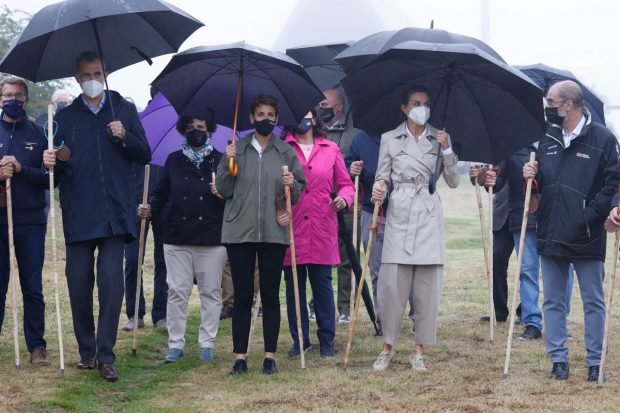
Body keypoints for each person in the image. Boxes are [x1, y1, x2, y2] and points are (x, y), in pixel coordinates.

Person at [42, 51, 151, 382]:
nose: (93, 80)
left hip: (115, 214)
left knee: (111, 282)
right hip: (79, 213)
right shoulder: (66, 116)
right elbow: (56, 174)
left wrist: (125, 136)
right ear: (77, 78)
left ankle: (106, 354)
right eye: (87, 74)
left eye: (99, 73)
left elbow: (144, 154)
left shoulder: (124, 109)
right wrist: (52, 161)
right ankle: (86, 351)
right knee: (78, 283)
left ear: (106, 74)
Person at [523, 80, 620, 382]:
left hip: (587, 232)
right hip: (550, 229)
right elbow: (538, 186)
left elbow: (612, 181)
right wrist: (530, 178)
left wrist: (592, 214)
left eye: (551, 103)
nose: (547, 108)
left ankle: (595, 362)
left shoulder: (603, 139)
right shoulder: (544, 137)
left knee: (593, 300)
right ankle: (558, 360)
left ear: (568, 105)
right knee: (553, 300)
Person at [371, 85, 459, 372]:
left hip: (428, 212)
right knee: (392, 284)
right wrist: (378, 190)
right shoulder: (389, 138)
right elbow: (382, 177)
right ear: (405, 108)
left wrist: (446, 150)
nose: (422, 107)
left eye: (426, 103)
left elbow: (454, 181)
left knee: (426, 287)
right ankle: (388, 346)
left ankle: (419, 349)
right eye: (416, 103)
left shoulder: (439, 137)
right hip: (400, 212)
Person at [216, 94, 306, 376]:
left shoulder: (286, 152)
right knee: (242, 296)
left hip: (273, 231)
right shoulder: (236, 149)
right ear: (251, 118)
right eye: (260, 114)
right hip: (239, 231)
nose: (265, 119)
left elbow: (299, 190)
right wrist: (228, 164)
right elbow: (223, 189)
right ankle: (240, 358)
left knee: (270, 295)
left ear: (276, 119)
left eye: (270, 115)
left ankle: (269, 357)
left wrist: (292, 184)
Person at [139, 114, 226, 362]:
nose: (196, 131)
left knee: (211, 291)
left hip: (211, 236)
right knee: (177, 291)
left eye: (201, 127)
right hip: (176, 235)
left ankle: (207, 344)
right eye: (190, 128)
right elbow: (161, 193)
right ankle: (175, 345)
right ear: (182, 131)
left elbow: (233, 197)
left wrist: (221, 191)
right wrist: (150, 208)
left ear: (210, 130)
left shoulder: (222, 161)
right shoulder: (173, 160)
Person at [282, 110, 354, 357]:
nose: (304, 118)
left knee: (322, 284)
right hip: (292, 227)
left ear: (315, 118)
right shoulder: (283, 148)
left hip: (322, 226)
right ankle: (300, 340)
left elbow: (346, 184)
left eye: (308, 114)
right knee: (294, 286)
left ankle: (327, 340)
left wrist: (344, 199)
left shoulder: (330, 148)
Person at [0, 76, 50, 366]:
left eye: (18, 95)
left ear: (26, 100)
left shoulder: (39, 133)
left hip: (30, 220)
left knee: (32, 286)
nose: (13, 100)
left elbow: (48, 180)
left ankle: (36, 346)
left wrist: (20, 169)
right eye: (8, 95)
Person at [316, 88, 360, 324]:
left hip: (347, 202)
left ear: (340, 106)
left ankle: (345, 306)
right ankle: (316, 305)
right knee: (319, 255)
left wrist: (350, 166)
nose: (320, 108)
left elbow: (360, 160)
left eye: (325, 103)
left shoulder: (355, 132)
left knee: (347, 257)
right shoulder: (315, 131)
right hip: (320, 203)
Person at [122, 163, 168, 332]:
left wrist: (154, 204)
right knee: (133, 259)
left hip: (163, 204)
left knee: (163, 260)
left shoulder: (166, 149)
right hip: (135, 203)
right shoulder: (133, 141)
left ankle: (161, 314)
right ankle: (135, 314)